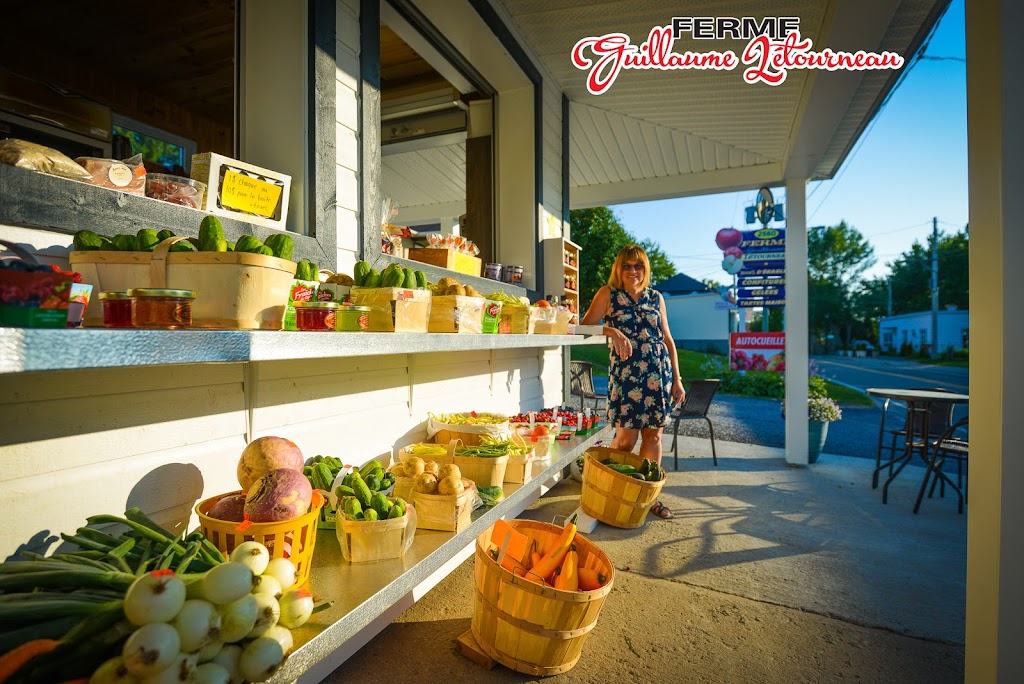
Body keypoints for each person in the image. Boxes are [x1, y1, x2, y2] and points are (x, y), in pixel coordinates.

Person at [580, 244, 684, 518]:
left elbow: (668, 339)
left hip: (658, 374)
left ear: (645, 269)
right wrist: (611, 330)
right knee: (625, 439)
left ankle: (648, 498)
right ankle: (612, 491)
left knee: (654, 435)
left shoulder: (656, 297)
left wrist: (677, 378)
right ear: (618, 269)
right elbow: (583, 325)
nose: (632, 271)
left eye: (638, 266)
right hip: (627, 377)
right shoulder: (608, 294)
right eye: (626, 265)